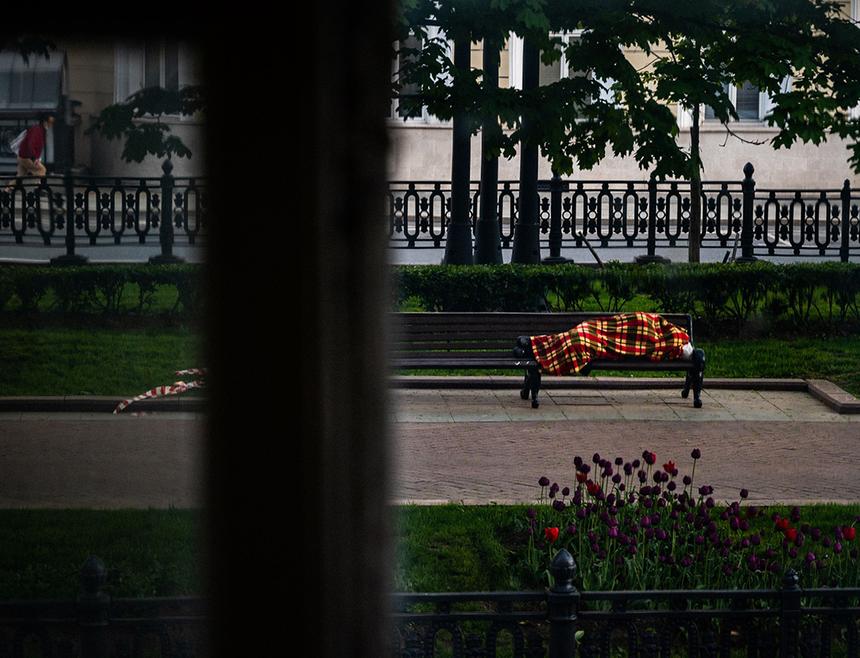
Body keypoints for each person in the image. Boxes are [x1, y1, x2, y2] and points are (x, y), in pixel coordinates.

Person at [4, 113, 54, 191]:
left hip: (23, 156)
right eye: (50, 122)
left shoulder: (40, 130)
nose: (51, 124)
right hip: (26, 156)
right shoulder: (37, 130)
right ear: (45, 122)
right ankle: (39, 189)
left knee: (20, 176)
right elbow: (31, 144)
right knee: (42, 170)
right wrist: (34, 158)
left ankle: (6, 191)